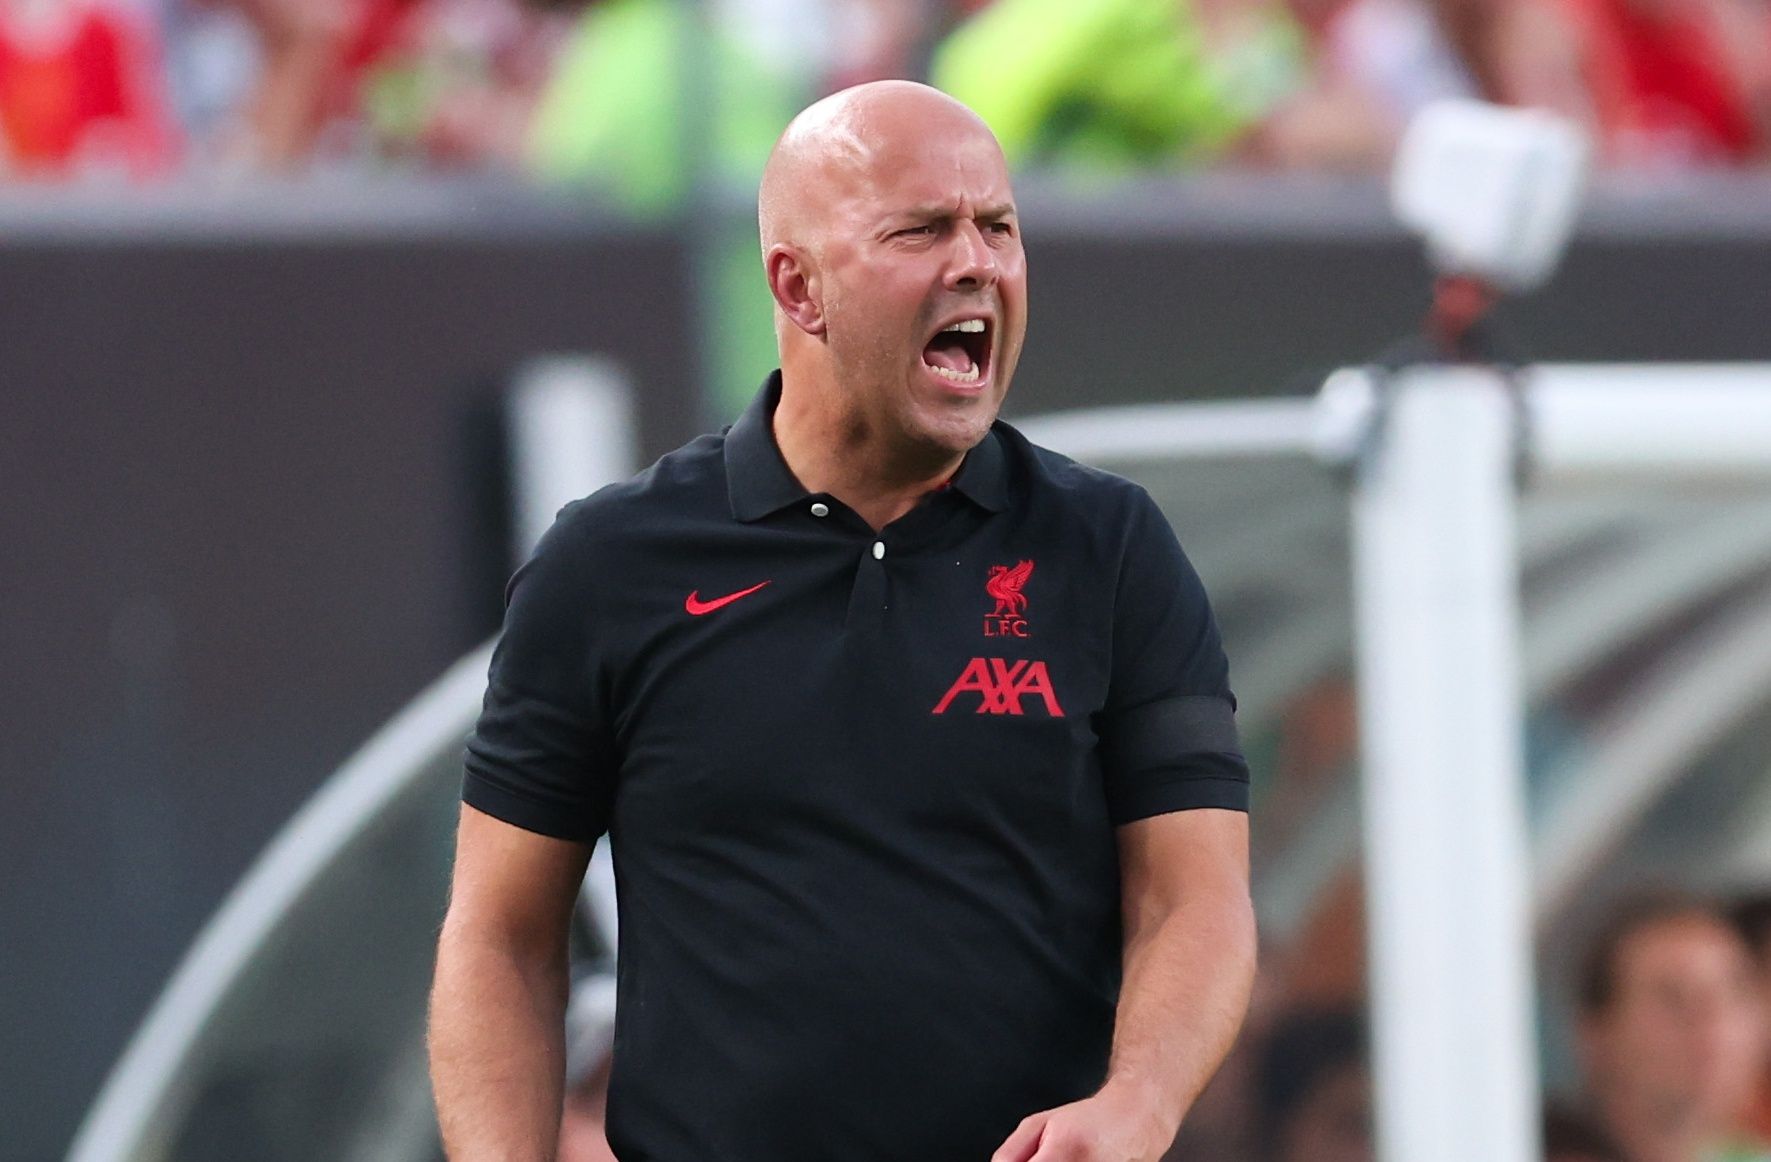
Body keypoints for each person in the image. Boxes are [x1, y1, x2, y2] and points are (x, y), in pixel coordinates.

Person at [428, 80, 1256, 1161]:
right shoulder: (609, 564)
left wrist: (1139, 1100)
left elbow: (1193, 898)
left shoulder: (1111, 548)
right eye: (922, 230)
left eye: (998, 226)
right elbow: (501, 935)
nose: (978, 262)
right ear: (798, 286)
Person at [1572, 890, 1770, 1162]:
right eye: (1673, 998)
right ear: (1596, 1034)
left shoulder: (1752, 1156)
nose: (1712, 1024)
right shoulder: (1525, 1145)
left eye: (1732, 993)